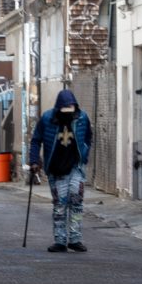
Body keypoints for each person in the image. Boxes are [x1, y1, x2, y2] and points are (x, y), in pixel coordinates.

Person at [29, 89, 93, 253]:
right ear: (58, 108)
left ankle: (75, 239)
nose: (68, 114)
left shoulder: (82, 118)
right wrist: (34, 160)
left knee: (76, 202)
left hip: (76, 167)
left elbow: (88, 137)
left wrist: (84, 154)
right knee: (60, 205)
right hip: (56, 169)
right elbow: (36, 140)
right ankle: (60, 240)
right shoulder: (47, 119)